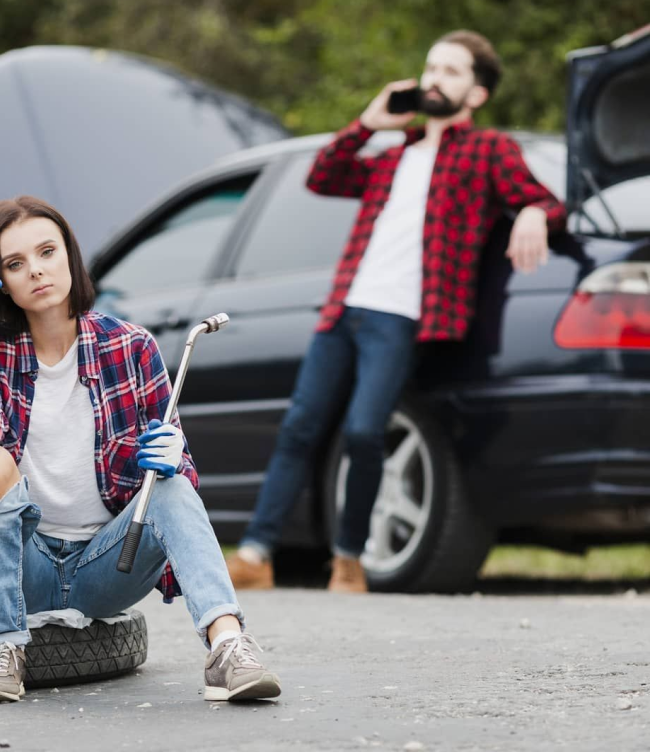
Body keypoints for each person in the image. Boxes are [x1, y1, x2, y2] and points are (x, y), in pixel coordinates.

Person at [225, 30, 567, 593]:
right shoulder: (394, 153)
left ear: (477, 94)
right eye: (431, 67)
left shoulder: (489, 150)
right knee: (299, 428)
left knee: (364, 433)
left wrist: (534, 212)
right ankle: (257, 555)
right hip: (344, 311)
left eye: (451, 72)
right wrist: (367, 123)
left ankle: (349, 560)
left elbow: (546, 200)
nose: (434, 79)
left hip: (401, 319)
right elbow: (322, 176)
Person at [0, 195, 281, 704]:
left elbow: (180, 480)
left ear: (70, 256)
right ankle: (4, 649)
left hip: (109, 565)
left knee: (172, 486)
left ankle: (228, 646)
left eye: (47, 252)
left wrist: (172, 457)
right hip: (24, 569)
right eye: (15, 264)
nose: (36, 270)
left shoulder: (131, 346)